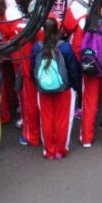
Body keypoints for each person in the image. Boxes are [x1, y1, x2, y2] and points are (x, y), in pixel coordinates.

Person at [30, 17, 81, 160]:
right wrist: (74, 86)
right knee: (63, 119)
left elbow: (32, 70)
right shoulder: (65, 47)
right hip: (64, 89)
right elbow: (73, 70)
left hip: (43, 89)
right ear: (58, 29)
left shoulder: (37, 47)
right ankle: (60, 150)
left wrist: (38, 85)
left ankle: (49, 150)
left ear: (43, 31)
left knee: (46, 119)